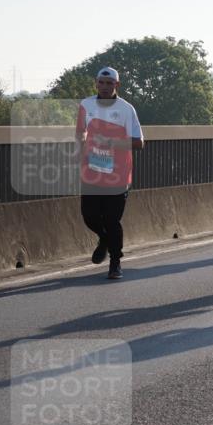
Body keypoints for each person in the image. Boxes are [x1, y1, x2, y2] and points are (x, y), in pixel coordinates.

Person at [75, 67, 145, 280]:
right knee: (90, 217)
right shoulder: (86, 105)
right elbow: (80, 133)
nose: (105, 87)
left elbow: (139, 143)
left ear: (117, 85)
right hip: (92, 172)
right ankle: (104, 239)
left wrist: (112, 142)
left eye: (109, 83)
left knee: (112, 220)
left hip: (118, 174)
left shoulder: (126, 109)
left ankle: (115, 262)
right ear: (96, 83)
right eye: (101, 83)